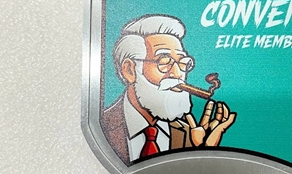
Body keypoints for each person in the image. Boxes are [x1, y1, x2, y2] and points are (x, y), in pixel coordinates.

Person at [101, 14, 236, 166]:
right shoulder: (102, 125)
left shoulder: (189, 135)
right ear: (130, 70)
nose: (177, 74)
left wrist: (202, 153)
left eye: (183, 62)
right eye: (164, 61)